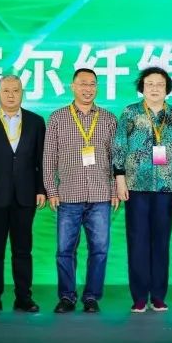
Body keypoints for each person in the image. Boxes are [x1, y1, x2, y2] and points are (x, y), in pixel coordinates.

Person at [44, 68, 119, 314]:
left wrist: (114, 191)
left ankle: (91, 297)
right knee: (65, 250)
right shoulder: (58, 118)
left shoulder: (108, 119)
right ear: (73, 87)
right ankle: (67, 297)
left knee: (99, 250)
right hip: (68, 196)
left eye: (92, 84)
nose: (88, 89)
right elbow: (49, 158)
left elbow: (116, 158)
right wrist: (51, 190)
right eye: (83, 84)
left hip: (101, 196)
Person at [0, 75, 47, 314]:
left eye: (16, 90)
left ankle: (24, 297)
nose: (11, 95)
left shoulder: (36, 122)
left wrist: (41, 189)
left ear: (22, 93)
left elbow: (41, 160)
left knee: (22, 250)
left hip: (26, 196)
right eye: (6, 91)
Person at [113, 67, 172, 313]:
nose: (155, 88)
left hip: (166, 186)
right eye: (150, 84)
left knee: (161, 242)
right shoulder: (130, 113)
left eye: (160, 84)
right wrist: (120, 179)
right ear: (142, 87)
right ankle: (139, 296)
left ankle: (158, 296)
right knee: (138, 241)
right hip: (136, 186)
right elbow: (119, 146)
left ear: (167, 89)